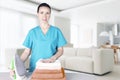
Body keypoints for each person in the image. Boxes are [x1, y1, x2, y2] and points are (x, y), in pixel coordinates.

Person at [10, 2, 67, 77]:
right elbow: (26, 52)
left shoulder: (56, 31)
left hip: (51, 68)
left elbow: (60, 50)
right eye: (42, 13)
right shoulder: (32, 32)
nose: (44, 16)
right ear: (38, 14)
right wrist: (16, 66)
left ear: (50, 15)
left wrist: (53, 58)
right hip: (35, 69)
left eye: (47, 13)